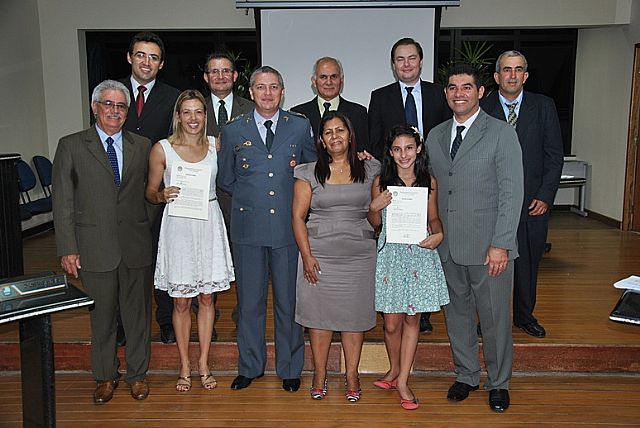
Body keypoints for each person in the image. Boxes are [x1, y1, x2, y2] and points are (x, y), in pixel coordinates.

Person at [425, 64, 523, 413]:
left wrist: (501, 243)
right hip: (447, 246)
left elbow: (512, 193)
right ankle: (466, 375)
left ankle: (499, 382)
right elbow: (432, 189)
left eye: (467, 87)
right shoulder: (435, 136)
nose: (459, 94)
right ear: (446, 93)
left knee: (495, 319)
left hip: (488, 249)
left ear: (481, 92)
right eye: (452, 88)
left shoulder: (501, 133)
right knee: (457, 316)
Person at [52, 79, 153, 404]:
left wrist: (140, 226)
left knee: (138, 317)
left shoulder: (142, 145)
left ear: (127, 112)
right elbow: (63, 201)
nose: (114, 111)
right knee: (103, 317)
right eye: (107, 104)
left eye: (121, 106)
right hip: (95, 247)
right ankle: (105, 376)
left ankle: (137, 375)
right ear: (94, 107)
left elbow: (150, 196)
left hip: (134, 245)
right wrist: (68, 247)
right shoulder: (71, 145)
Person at [217, 66, 316, 393]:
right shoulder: (233, 130)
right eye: (261, 88)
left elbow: (310, 173)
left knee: (289, 302)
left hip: (288, 231)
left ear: (283, 91)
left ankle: (289, 368)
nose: (268, 93)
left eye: (274, 87)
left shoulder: (299, 127)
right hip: (248, 229)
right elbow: (226, 180)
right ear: (251, 92)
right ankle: (250, 365)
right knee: (250, 302)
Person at [146, 90, 234, 392]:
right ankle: (184, 366)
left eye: (199, 112)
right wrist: (161, 195)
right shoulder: (162, 149)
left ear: (205, 116)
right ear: (178, 115)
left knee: (207, 297)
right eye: (187, 112)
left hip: (208, 221)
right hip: (178, 225)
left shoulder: (215, 145)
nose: (193, 118)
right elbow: (150, 191)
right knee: (181, 301)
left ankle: (204, 363)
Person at [292, 111, 380, 402]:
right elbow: (297, 217)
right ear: (321, 139)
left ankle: (351, 374)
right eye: (328, 132)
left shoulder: (371, 170)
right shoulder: (307, 172)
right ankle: (319, 374)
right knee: (319, 319)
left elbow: (377, 219)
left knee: (354, 318)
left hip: (360, 256)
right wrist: (306, 256)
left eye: (340, 130)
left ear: (350, 134)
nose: (335, 137)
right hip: (319, 254)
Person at [368, 37, 451, 333]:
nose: (406, 64)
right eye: (400, 59)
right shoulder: (380, 96)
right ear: (393, 65)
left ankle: (421, 309)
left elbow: (444, 136)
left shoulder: (438, 94)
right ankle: (404, 305)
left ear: (421, 61)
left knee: (424, 241)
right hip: (394, 181)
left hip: (428, 177)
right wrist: (391, 177)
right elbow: (376, 140)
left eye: (412, 58)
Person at [481, 50, 564, 338]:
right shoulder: (483, 108)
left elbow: (554, 155)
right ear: (496, 76)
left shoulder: (544, 106)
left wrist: (545, 195)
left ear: (525, 75)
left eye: (518, 70)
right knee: (492, 264)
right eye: (506, 70)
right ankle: (491, 317)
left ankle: (525, 316)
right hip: (492, 205)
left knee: (528, 263)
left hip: (532, 203)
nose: (512, 75)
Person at [368, 124, 449, 410]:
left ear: (419, 149)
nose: (404, 155)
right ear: (390, 152)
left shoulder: (429, 181)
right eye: (397, 149)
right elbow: (374, 224)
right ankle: (393, 369)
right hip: (391, 255)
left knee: (413, 319)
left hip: (419, 254)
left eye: (409, 148)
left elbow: (435, 218)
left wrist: (438, 234)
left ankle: (403, 379)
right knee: (391, 323)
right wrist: (375, 207)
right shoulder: (381, 181)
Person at [119, 31, 181, 345]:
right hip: (120, 192)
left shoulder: (174, 98)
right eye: (141, 55)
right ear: (130, 57)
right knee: (124, 259)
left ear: (161, 64)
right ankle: (123, 324)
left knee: (161, 256)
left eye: (153, 57)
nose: (147, 62)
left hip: (160, 192)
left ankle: (166, 321)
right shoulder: (113, 94)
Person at [203, 51, 254, 331]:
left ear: (235, 77)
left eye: (226, 71)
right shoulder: (194, 108)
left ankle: (242, 318)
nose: (220, 76)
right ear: (206, 77)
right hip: (205, 199)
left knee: (244, 264)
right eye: (214, 71)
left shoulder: (251, 107)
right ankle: (208, 317)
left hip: (241, 197)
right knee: (207, 261)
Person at [291, 57, 369, 152]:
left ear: (342, 80)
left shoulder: (358, 113)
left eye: (334, 77)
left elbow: (362, 151)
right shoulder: (297, 114)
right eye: (323, 77)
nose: (329, 82)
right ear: (314, 82)